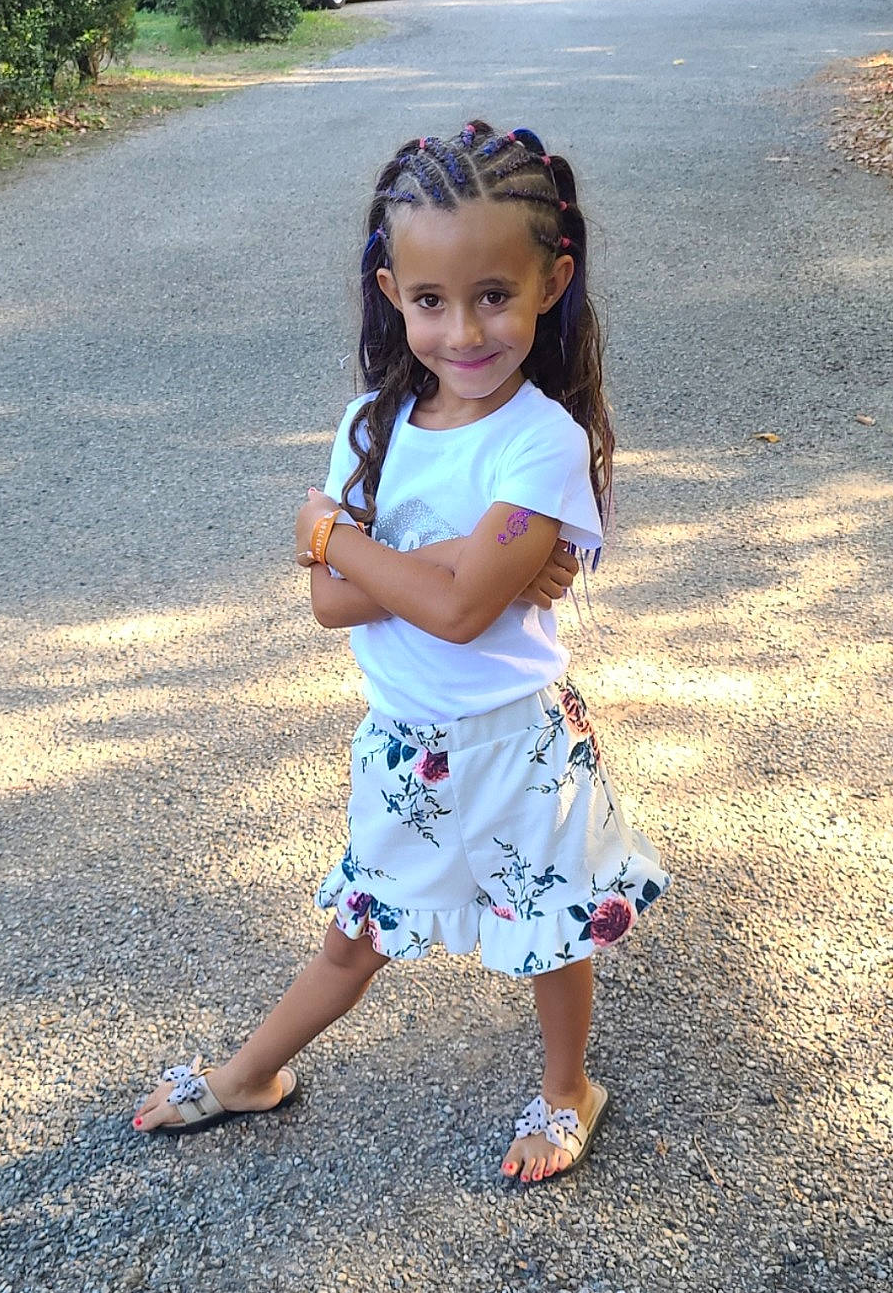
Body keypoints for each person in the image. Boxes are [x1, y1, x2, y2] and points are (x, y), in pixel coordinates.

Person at [134, 121, 670, 1183]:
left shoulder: (542, 441)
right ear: (391, 290)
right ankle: (251, 1072)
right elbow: (336, 607)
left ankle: (569, 1087)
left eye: (493, 296)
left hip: (520, 748)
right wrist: (423, 567)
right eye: (430, 300)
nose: (464, 330)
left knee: (551, 935)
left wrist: (339, 534)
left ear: (551, 281)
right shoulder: (370, 424)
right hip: (405, 749)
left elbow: (458, 609)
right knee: (355, 935)